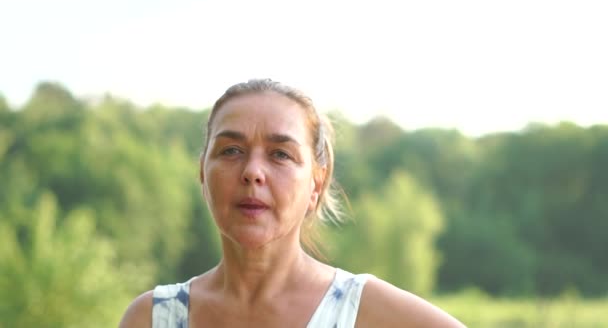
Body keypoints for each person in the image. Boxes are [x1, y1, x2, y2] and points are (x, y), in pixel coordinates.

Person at [119, 79, 465, 327]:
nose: (253, 172)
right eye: (231, 151)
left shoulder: (367, 312)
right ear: (202, 174)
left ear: (316, 183)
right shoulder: (152, 318)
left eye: (280, 154)